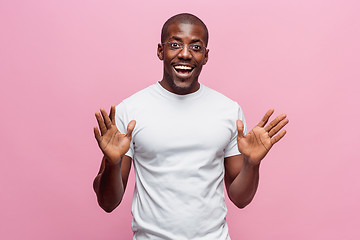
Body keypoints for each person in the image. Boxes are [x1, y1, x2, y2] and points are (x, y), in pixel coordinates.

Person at [93, 13, 289, 240]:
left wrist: (252, 164)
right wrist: (112, 162)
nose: (185, 54)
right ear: (160, 51)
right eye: (175, 45)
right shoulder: (130, 110)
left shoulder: (228, 110)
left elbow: (240, 199)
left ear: (205, 56)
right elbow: (108, 203)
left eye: (195, 47)